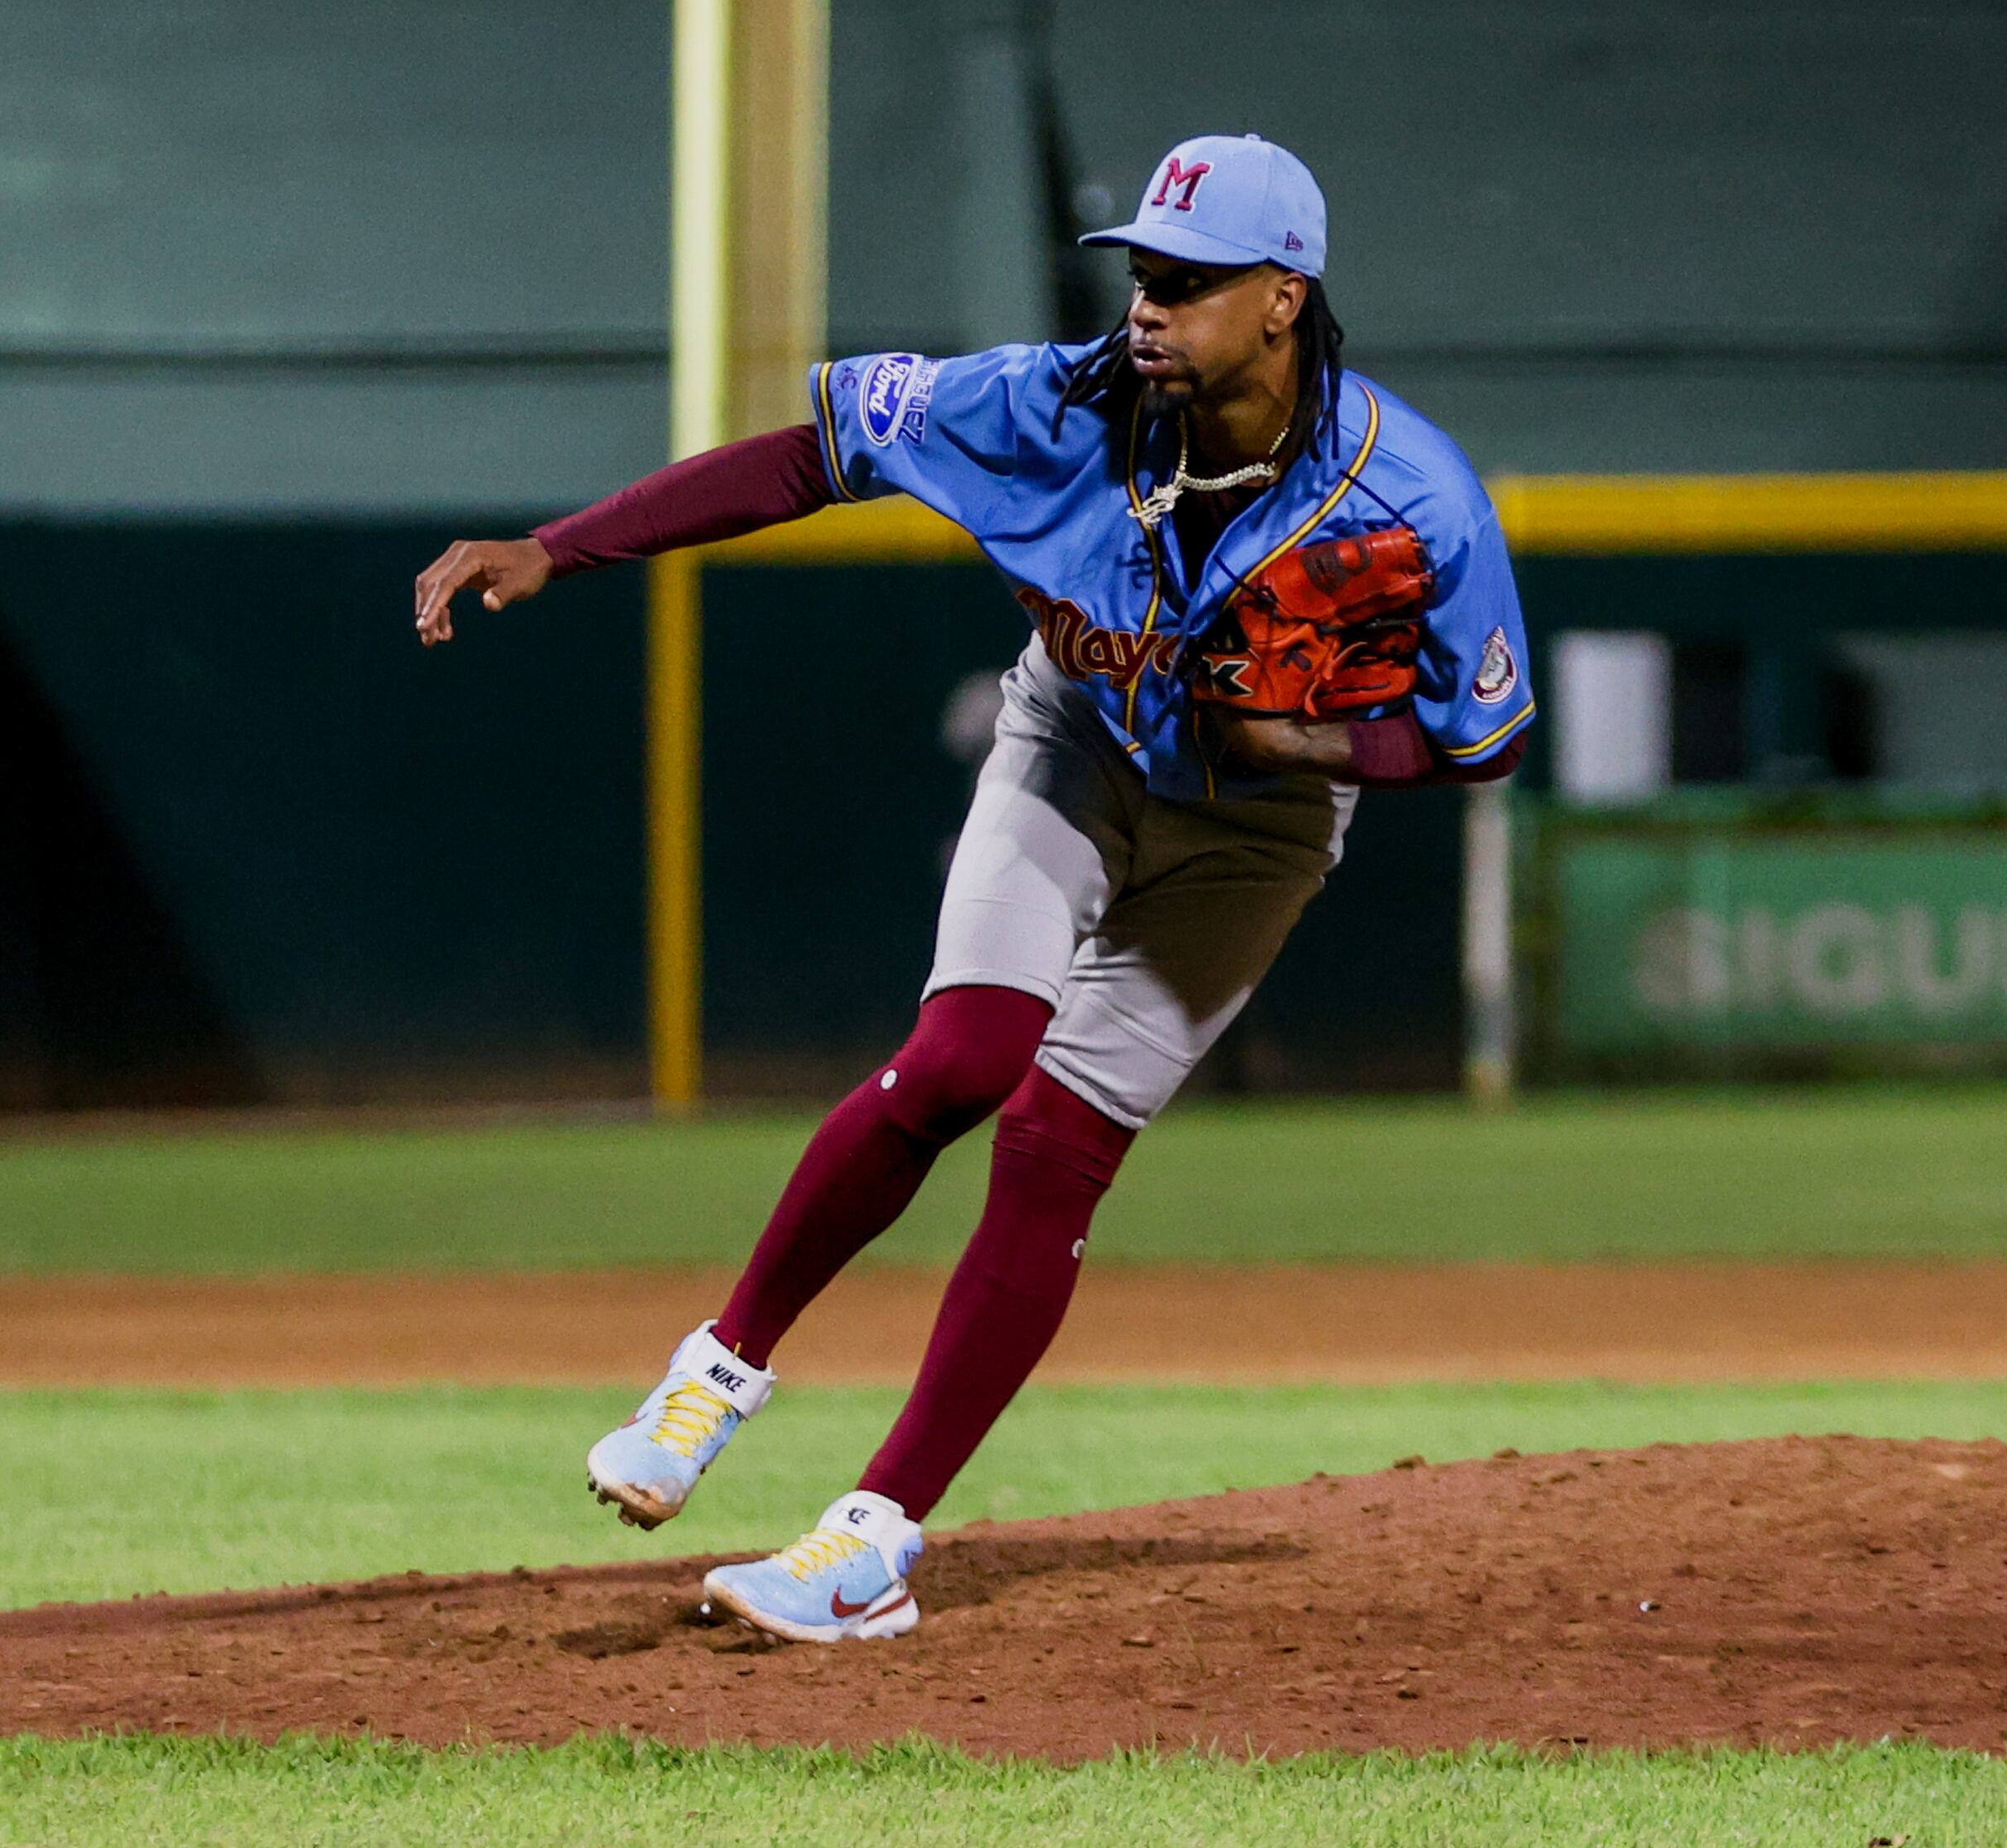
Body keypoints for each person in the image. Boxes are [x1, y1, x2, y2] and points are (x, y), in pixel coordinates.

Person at [413, 134, 1534, 1645]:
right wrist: (563, 548)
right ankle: (716, 1374)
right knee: (960, 1062)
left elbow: (1479, 736)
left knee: (1058, 1145)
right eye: (1143, 272)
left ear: (1283, 297)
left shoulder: (1415, 493)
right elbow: (814, 459)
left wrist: (1316, 735)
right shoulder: (1058, 401)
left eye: (1189, 284)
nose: (1148, 307)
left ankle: (867, 1544)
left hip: (1256, 831)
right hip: (1072, 747)